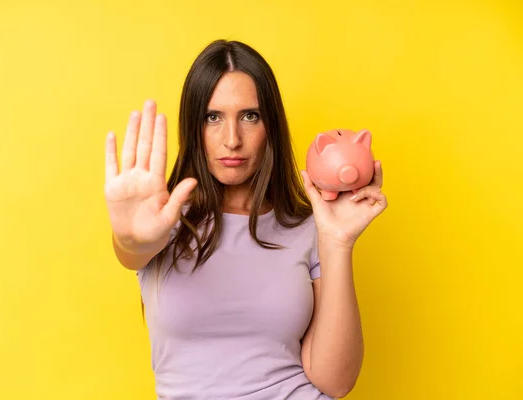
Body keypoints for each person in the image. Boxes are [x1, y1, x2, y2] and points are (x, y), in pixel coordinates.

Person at [104, 39, 388, 400]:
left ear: (270, 125)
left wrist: (338, 241)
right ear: (193, 126)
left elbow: (336, 381)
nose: (232, 140)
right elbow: (132, 247)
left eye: (250, 116)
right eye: (213, 117)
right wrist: (132, 237)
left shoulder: (309, 228)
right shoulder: (161, 221)